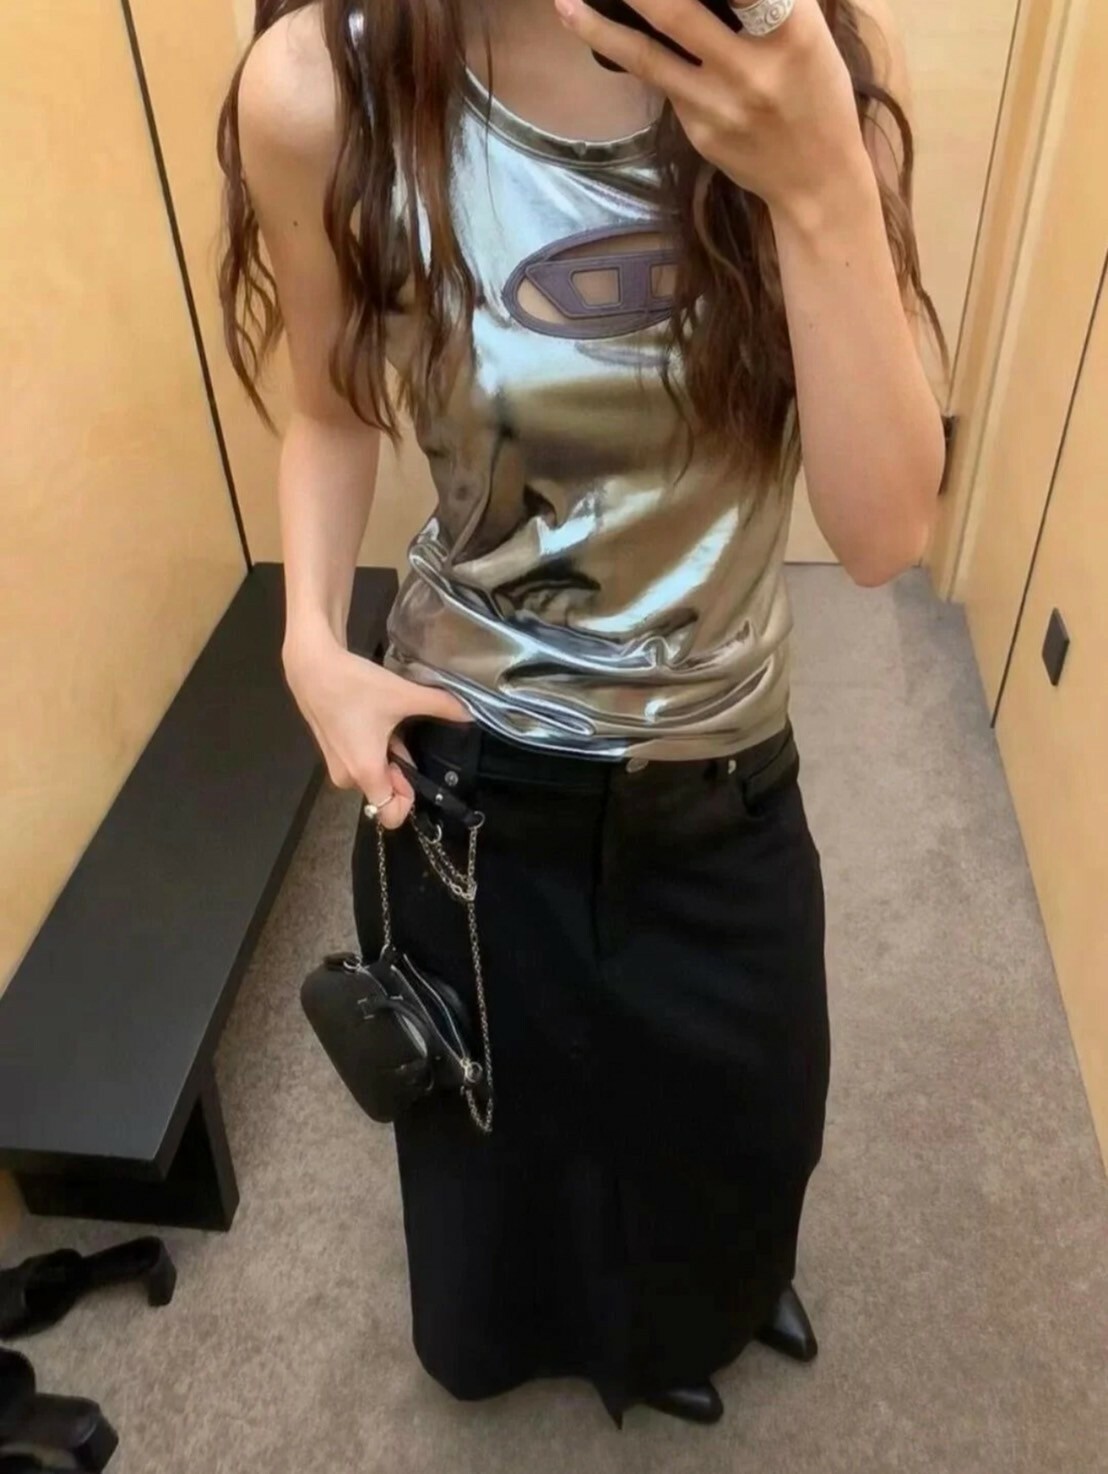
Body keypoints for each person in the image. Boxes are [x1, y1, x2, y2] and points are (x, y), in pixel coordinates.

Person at [218, 0, 946, 1430]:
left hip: (727, 759)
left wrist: (816, 179)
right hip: (479, 781)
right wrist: (309, 643)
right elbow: (330, 407)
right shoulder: (324, 85)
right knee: (510, 1169)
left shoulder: (804, 60)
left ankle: (692, 1318)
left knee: (744, 1118)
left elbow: (882, 535)